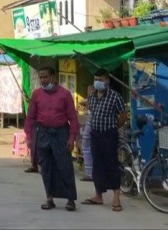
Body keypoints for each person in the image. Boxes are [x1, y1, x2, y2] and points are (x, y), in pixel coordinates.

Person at [24, 66, 80, 212]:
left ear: (53, 77)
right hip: (42, 133)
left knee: (65, 166)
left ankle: (70, 199)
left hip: (61, 132)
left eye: (45, 77)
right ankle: (49, 198)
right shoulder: (36, 94)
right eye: (41, 77)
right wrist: (29, 136)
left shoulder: (65, 94)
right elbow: (30, 117)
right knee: (46, 167)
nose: (43, 80)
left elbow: (72, 117)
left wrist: (72, 137)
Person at [81, 69, 128, 212]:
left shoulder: (115, 97)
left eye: (100, 80)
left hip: (109, 135)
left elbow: (123, 115)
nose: (97, 82)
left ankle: (116, 197)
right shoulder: (92, 96)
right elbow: (92, 113)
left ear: (107, 81)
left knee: (112, 164)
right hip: (95, 135)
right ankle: (98, 195)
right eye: (96, 79)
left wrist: (114, 126)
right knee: (97, 165)